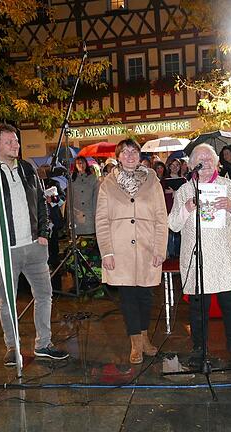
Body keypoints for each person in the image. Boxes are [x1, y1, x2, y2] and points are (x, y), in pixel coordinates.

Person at [0, 123, 69, 366]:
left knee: (45, 295)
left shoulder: (27, 168)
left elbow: (41, 200)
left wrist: (44, 232)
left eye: (16, 141)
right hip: (5, 250)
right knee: (7, 301)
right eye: (9, 142)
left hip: (35, 246)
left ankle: (43, 344)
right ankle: (12, 347)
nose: (16, 145)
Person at [168, 143, 231, 369]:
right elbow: (173, 224)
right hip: (197, 259)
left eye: (210, 160)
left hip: (225, 258)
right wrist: (185, 208)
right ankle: (199, 349)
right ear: (192, 165)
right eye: (200, 161)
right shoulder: (185, 190)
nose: (206, 165)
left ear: (216, 163)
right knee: (198, 309)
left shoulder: (228, 186)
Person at [95, 139, 168, 364]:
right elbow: (102, 220)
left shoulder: (152, 180)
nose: (129, 155)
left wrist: (159, 249)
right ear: (118, 157)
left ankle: (144, 337)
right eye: (124, 151)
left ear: (139, 155)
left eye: (133, 151)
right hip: (120, 249)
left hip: (147, 247)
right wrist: (106, 252)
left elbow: (161, 217)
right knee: (127, 296)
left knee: (145, 296)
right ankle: (135, 342)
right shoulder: (107, 184)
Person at [163, 158, 187, 258]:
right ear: (169, 167)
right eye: (172, 165)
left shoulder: (184, 180)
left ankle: (178, 252)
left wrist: (175, 192)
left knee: (179, 230)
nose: (175, 167)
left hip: (180, 207)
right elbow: (162, 193)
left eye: (177, 165)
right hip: (168, 206)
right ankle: (170, 253)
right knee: (169, 231)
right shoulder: (164, 180)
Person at [71, 156, 99, 236]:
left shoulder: (93, 178)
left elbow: (96, 197)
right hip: (77, 215)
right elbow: (70, 199)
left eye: (82, 162)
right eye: (78, 163)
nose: (81, 165)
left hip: (89, 213)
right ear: (75, 165)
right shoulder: (72, 179)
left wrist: (95, 214)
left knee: (90, 240)